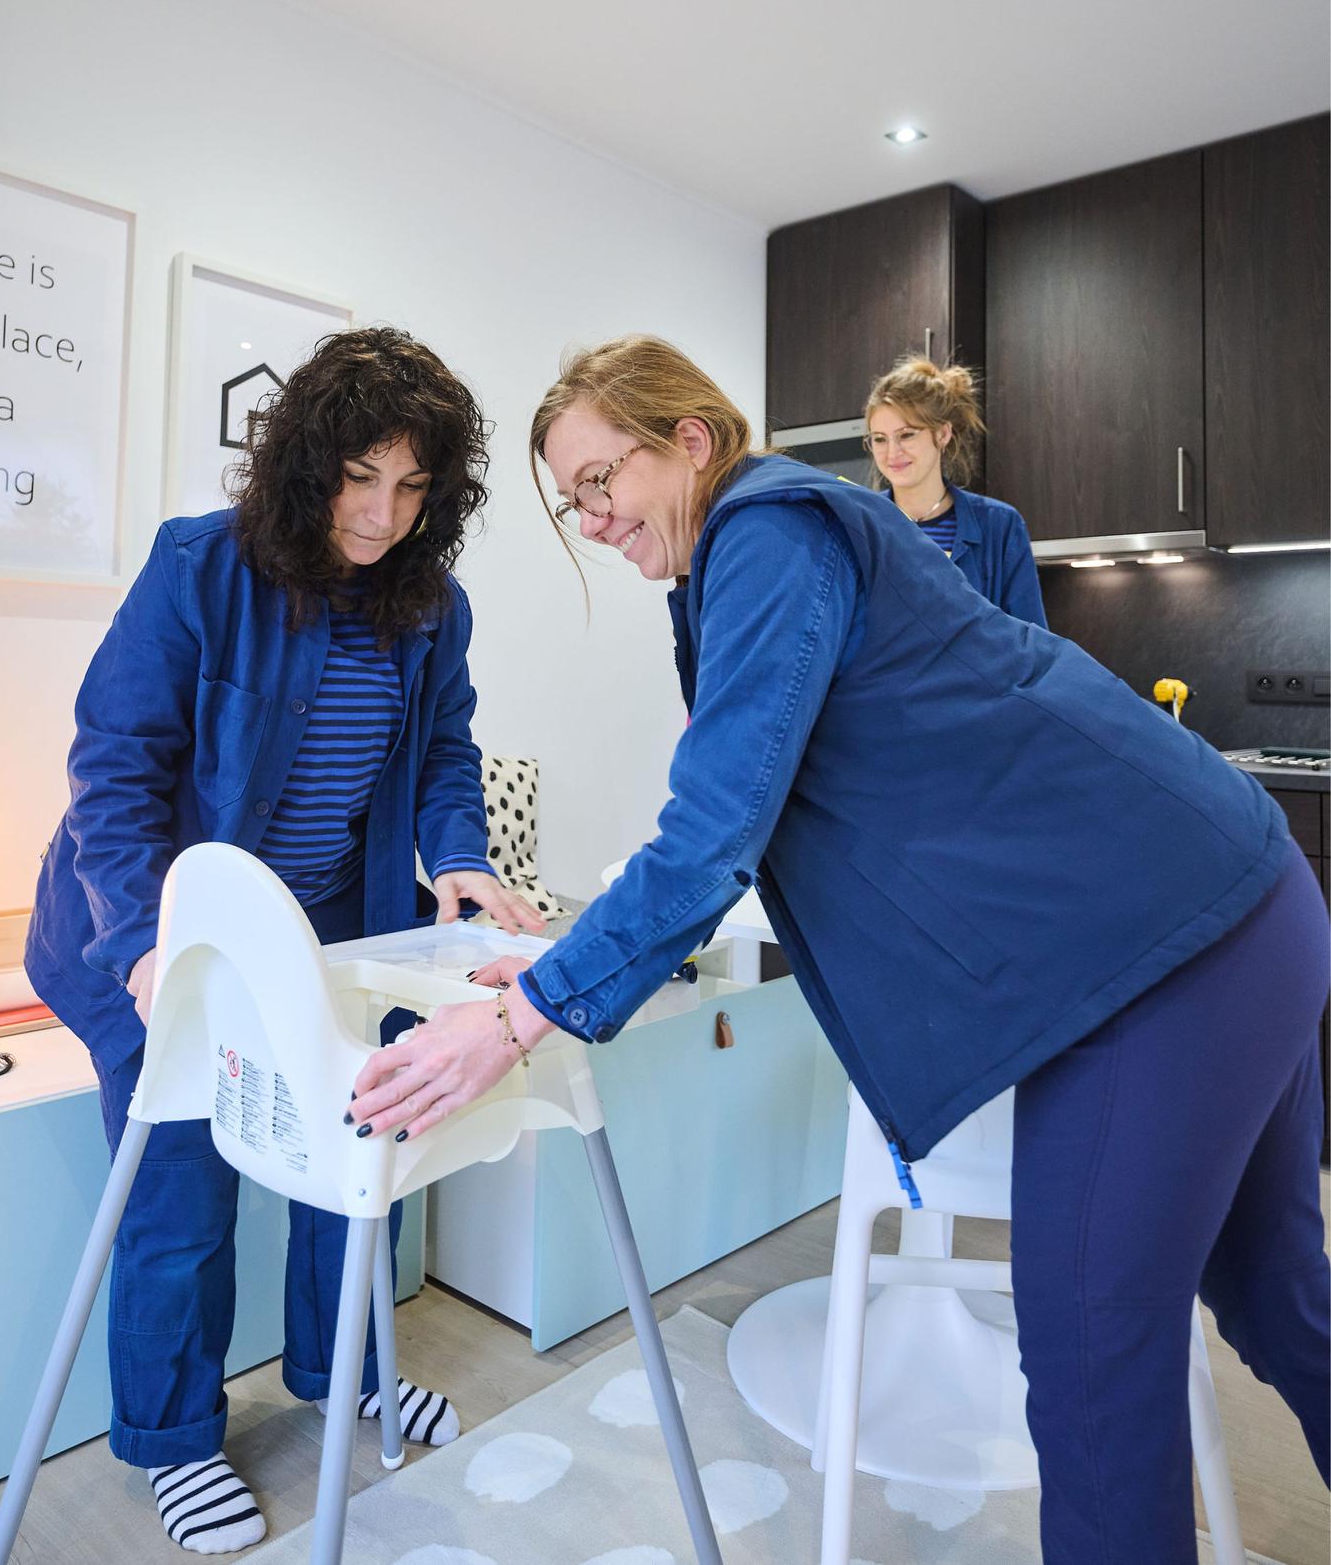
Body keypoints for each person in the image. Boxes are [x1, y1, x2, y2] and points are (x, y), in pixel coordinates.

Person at [349, 335, 1330, 1564]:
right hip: (1238, 894)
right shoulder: (757, 561)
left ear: (689, 441)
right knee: (1274, 1295)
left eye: (599, 480)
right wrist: (556, 968)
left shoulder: (767, 529)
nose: (589, 520)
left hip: (1166, 948)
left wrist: (517, 1017)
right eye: (570, 498)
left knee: (1090, 1367)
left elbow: (713, 828)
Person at [26, 327, 544, 1556]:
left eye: (414, 488)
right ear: (305, 464)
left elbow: (445, 752)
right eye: (361, 478)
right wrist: (152, 950)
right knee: (182, 1188)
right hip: (142, 927)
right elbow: (115, 767)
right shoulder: (199, 568)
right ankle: (172, 1437)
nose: (382, 514)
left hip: (323, 924)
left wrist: (459, 851)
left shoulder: (432, 606)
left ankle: (341, 1369)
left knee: (357, 1140)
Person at [865, 352, 1046, 625]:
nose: (892, 453)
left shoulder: (1000, 526)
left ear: (942, 434)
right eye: (879, 439)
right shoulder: (861, 524)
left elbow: (1031, 640)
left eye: (907, 435)